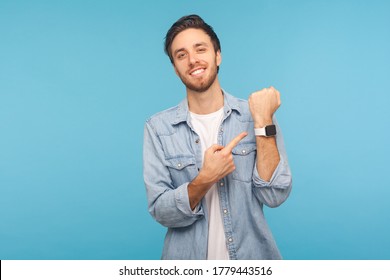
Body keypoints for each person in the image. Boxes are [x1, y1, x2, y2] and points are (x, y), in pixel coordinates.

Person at [143, 14, 292, 260]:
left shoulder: (256, 114)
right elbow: (161, 211)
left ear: (217, 55)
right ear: (175, 67)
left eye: (200, 49)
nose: (192, 60)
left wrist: (264, 122)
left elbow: (274, 194)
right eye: (181, 55)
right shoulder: (158, 128)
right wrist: (205, 178)